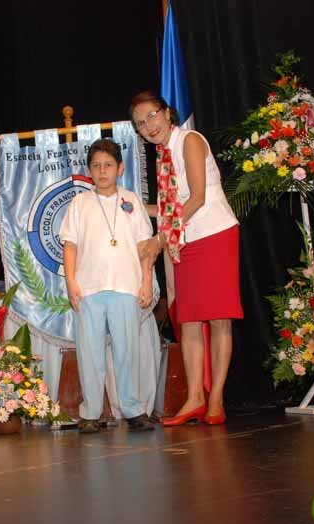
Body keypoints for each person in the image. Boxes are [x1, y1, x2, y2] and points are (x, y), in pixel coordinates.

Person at [130, 90, 244, 426]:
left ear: (167, 113)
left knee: (219, 318)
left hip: (215, 234)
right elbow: (170, 207)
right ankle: (195, 398)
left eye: (152, 116)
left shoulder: (190, 140)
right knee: (189, 320)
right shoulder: (162, 155)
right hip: (185, 241)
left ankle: (216, 398)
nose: (148, 126)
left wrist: (159, 240)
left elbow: (196, 199)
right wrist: (132, 206)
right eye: (140, 124)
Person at [59, 139, 155, 433]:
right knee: (90, 353)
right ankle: (90, 412)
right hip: (88, 289)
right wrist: (71, 281)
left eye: (108, 165)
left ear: (120, 168)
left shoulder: (132, 201)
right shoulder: (80, 203)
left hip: (126, 286)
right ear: (89, 171)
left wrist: (146, 281)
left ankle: (133, 409)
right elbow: (70, 245)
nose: (102, 171)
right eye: (97, 166)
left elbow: (145, 247)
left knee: (128, 351)